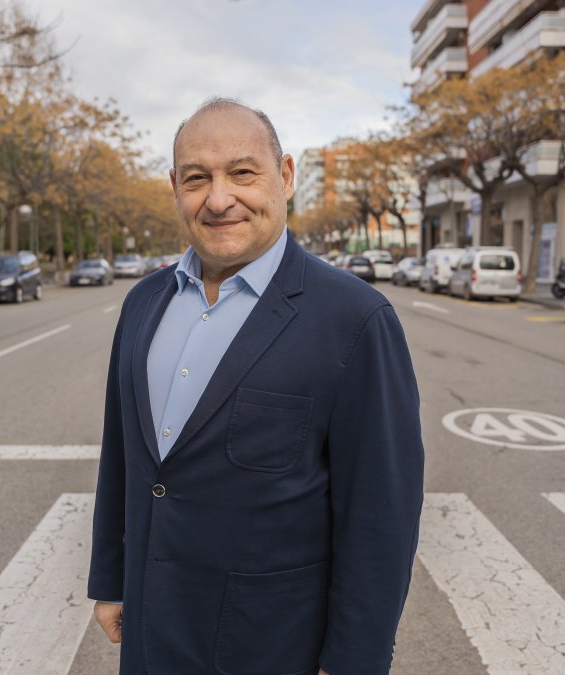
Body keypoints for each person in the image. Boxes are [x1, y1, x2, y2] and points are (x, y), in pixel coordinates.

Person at [88, 97, 424, 675]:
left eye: (242, 172)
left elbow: (380, 517)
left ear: (285, 177)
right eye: (197, 179)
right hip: (149, 632)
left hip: (273, 645)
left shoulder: (355, 318)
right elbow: (122, 456)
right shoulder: (143, 303)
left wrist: (353, 662)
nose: (219, 199)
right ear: (175, 188)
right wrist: (111, 578)